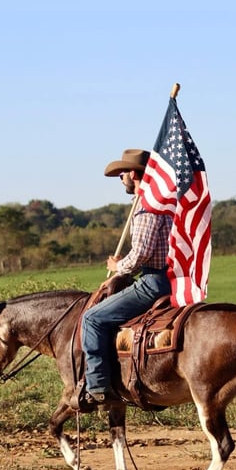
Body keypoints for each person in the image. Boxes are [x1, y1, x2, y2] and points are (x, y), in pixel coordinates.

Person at [80, 148, 173, 410]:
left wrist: (119, 268)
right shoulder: (166, 201)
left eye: (122, 175)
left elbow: (142, 253)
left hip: (153, 282)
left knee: (92, 318)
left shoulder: (147, 205)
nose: (121, 180)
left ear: (133, 174)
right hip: (172, 278)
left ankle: (97, 387)